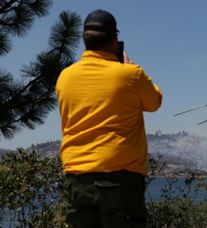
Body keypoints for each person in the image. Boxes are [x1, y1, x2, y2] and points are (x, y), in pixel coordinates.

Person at [56, 9, 162, 228]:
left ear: (84, 39)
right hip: (120, 182)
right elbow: (155, 102)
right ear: (115, 40)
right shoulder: (131, 74)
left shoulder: (64, 77)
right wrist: (132, 68)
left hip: (77, 181)